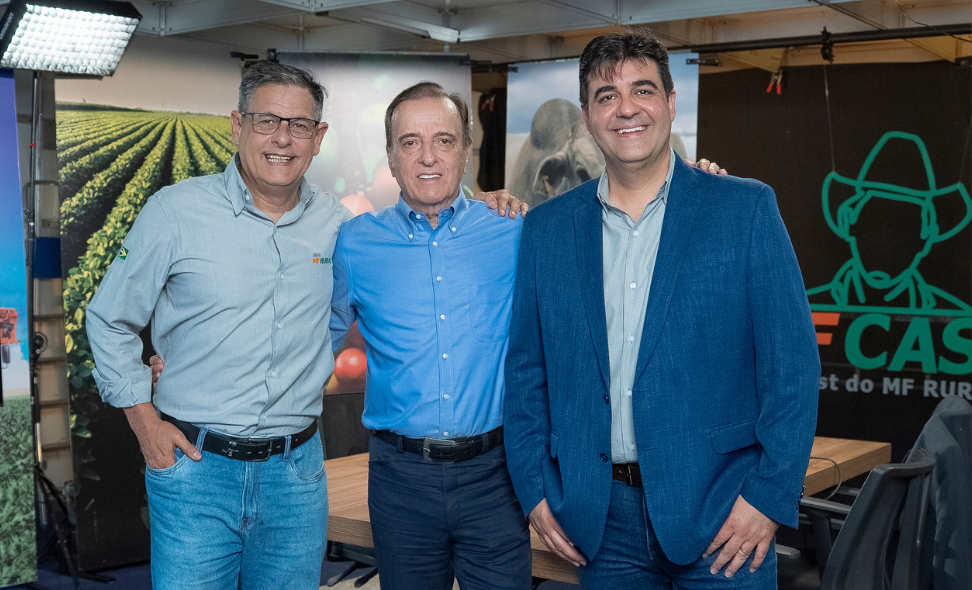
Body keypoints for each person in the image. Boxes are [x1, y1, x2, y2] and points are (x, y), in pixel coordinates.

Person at [86, 62, 520, 590]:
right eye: (268, 121)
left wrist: (494, 201)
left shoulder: (341, 228)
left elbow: (329, 325)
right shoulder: (178, 212)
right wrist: (143, 421)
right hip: (197, 468)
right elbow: (109, 317)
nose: (283, 139)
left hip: (297, 474)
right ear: (237, 125)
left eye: (299, 126)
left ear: (319, 138)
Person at [503, 28, 820, 590]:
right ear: (587, 115)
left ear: (671, 104)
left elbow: (792, 369)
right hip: (599, 526)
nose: (626, 109)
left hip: (724, 516)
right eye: (607, 96)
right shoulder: (546, 230)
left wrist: (768, 499)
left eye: (643, 90)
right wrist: (535, 491)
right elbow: (528, 374)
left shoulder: (744, 210)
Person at [328, 81, 530, 590]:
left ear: (466, 151)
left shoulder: (515, 230)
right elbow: (308, 343)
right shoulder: (355, 244)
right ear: (391, 157)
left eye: (443, 140)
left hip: (498, 475)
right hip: (400, 480)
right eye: (410, 142)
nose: (427, 157)